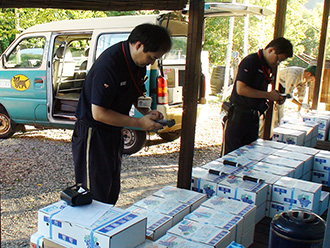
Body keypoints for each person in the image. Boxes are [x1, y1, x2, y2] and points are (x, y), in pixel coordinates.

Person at [72, 23, 172, 204]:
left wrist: (148, 112)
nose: (151, 62)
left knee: (111, 188)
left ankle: (106, 229)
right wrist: (140, 123)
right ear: (139, 45)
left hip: (113, 130)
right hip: (93, 133)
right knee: (93, 192)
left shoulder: (138, 64)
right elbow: (99, 113)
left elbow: (136, 92)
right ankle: (90, 231)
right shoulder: (109, 65)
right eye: (151, 57)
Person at [221, 37, 293, 156]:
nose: (277, 63)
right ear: (271, 50)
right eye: (278, 59)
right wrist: (268, 95)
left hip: (253, 115)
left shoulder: (266, 66)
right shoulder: (251, 61)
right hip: (238, 115)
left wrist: (275, 96)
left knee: (249, 153)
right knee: (232, 155)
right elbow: (241, 89)